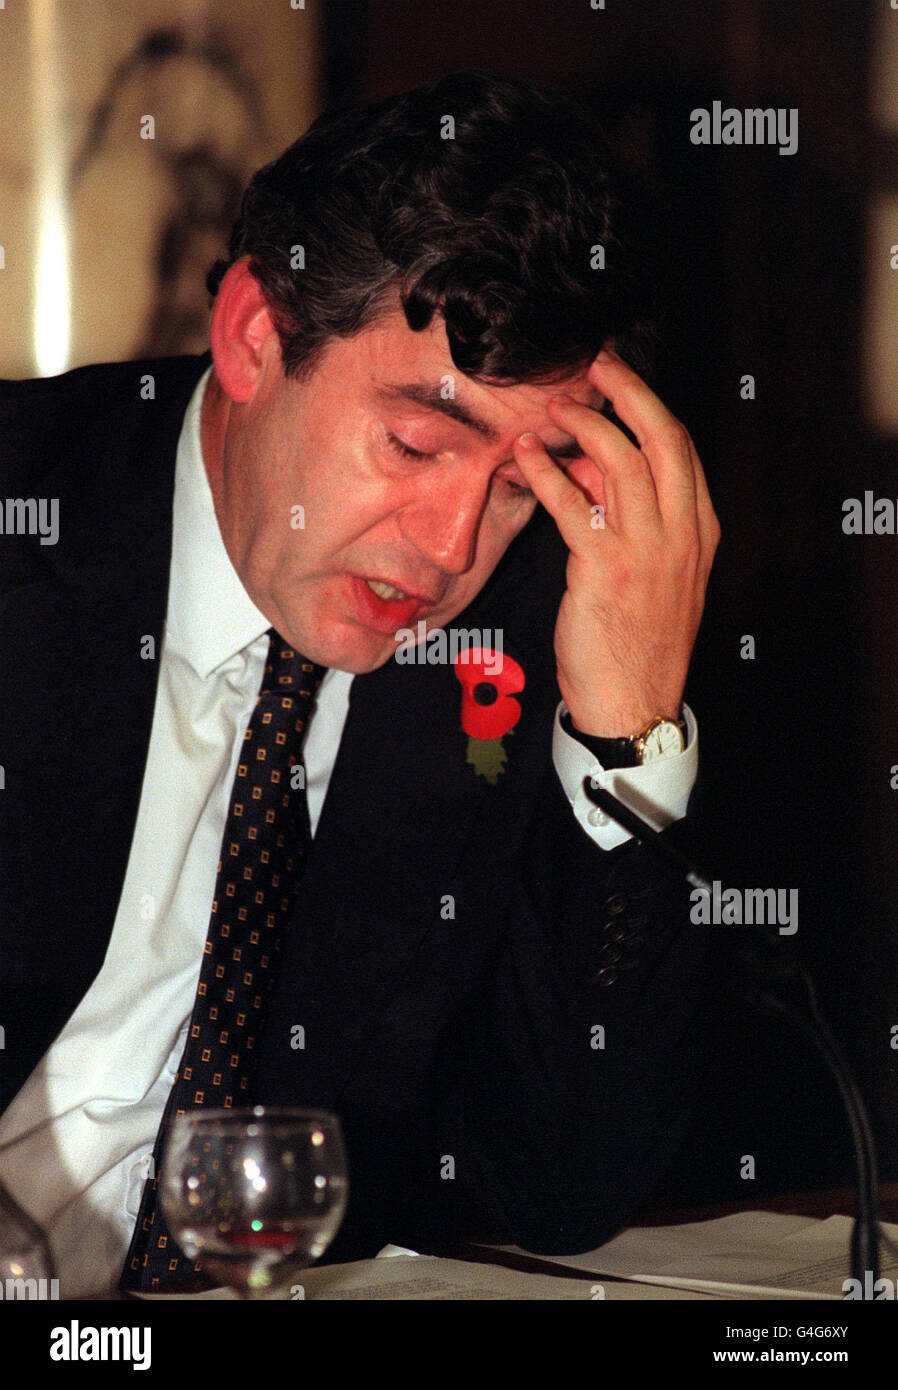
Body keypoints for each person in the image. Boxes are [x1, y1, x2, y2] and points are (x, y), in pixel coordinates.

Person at [0, 72, 719, 1295]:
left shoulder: (530, 640)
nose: (447, 549)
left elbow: (560, 1184)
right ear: (252, 338)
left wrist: (628, 738)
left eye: (516, 482)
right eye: (416, 443)